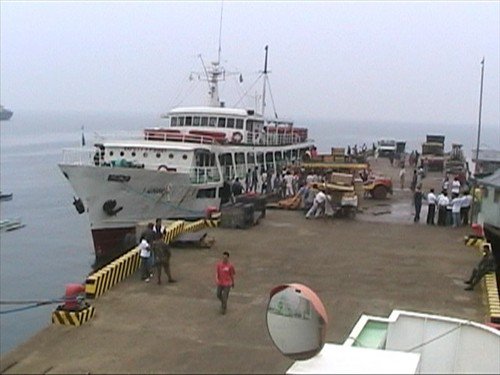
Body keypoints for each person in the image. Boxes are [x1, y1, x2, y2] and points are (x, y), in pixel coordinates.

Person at [152, 218, 176, 284]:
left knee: (158, 270)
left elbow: (153, 251)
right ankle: (170, 278)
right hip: (164, 258)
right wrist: (168, 257)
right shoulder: (164, 244)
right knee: (167, 269)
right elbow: (168, 251)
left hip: (158, 258)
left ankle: (159, 280)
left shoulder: (154, 244)